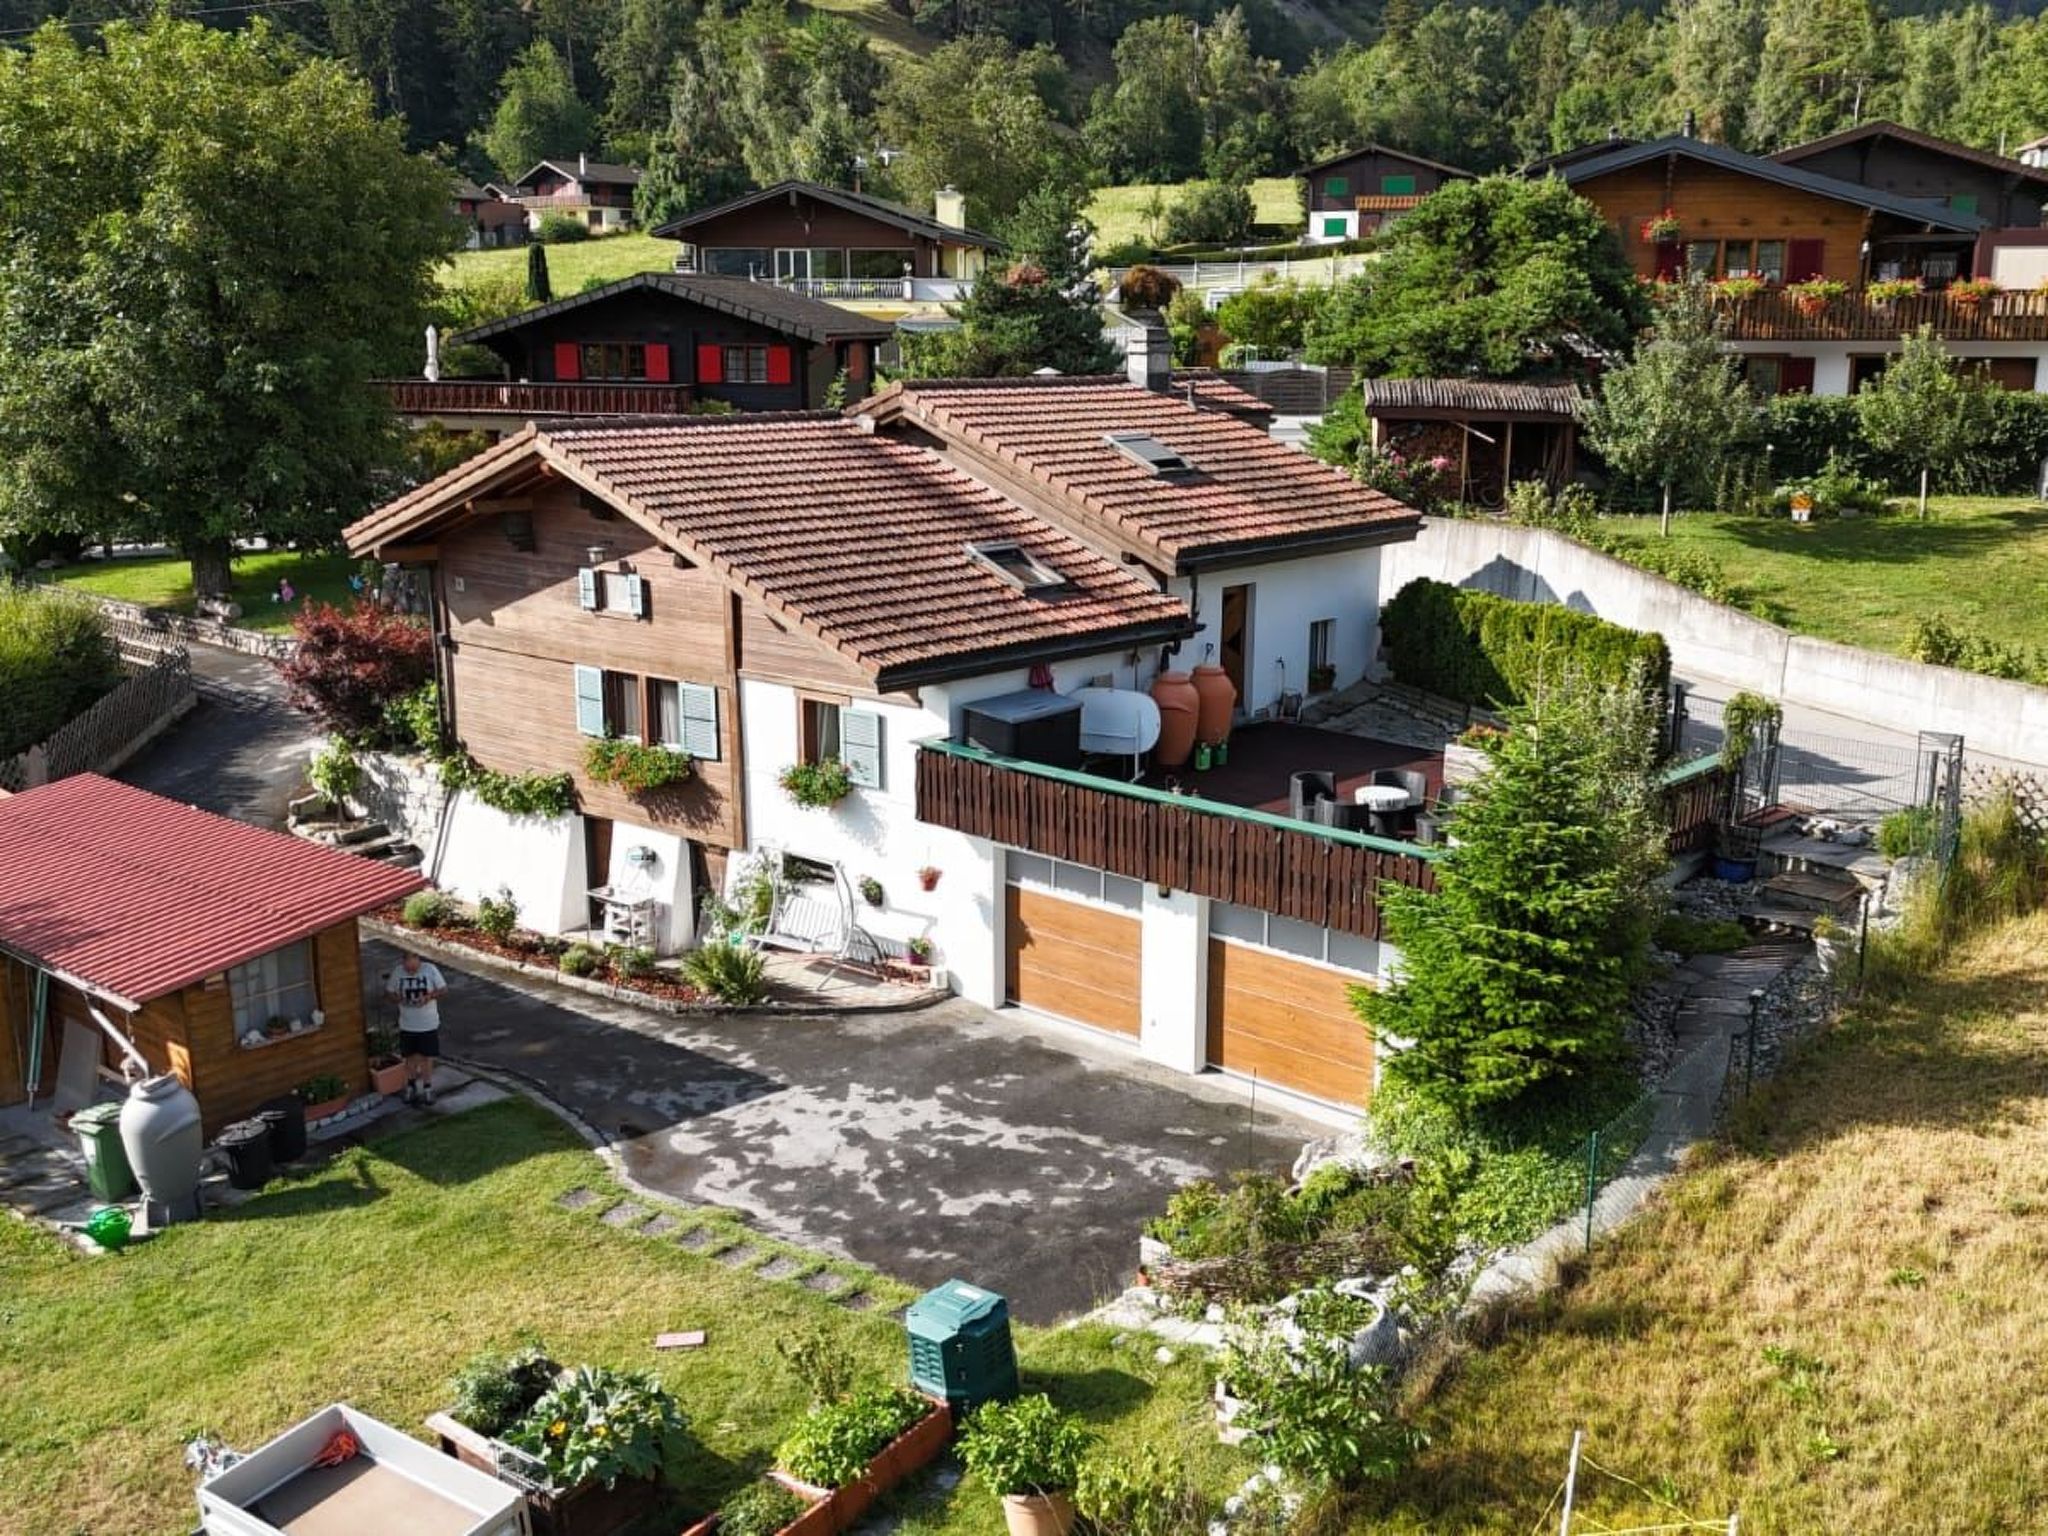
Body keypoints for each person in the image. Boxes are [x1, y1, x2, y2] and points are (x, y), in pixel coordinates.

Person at [384, 951, 448, 1105]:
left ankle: (427, 1088)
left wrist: (428, 997)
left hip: (428, 1023)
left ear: (418, 960)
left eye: (413, 968)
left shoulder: (430, 969)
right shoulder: (398, 972)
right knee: (410, 1058)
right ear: (403, 962)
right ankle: (411, 1087)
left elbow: (443, 989)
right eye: (408, 969)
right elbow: (389, 992)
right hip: (407, 1024)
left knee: (427, 1058)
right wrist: (398, 999)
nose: (411, 971)